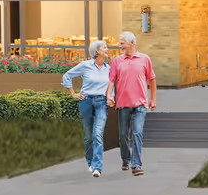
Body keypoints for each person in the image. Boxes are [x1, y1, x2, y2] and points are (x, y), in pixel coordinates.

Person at [108, 31, 156, 176]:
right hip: (123, 104)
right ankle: (125, 158)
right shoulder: (117, 61)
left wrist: (153, 99)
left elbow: (152, 80)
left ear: (132, 43)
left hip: (140, 104)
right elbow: (111, 81)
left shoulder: (145, 59)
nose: (120, 45)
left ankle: (136, 165)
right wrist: (109, 94)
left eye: (122, 43)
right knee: (123, 135)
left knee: (137, 133)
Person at [62, 40, 112, 177]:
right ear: (97, 51)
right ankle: (90, 162)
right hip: (86, 101)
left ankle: (97, 167)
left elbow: (111, 85)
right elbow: (67, 76)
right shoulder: (85, 65)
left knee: (98, 134)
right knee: (88, 136)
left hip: (101, 102)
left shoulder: (109, 68)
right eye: (105, 48)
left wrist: (110, 97)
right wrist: (73, 93)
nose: (107, 49)